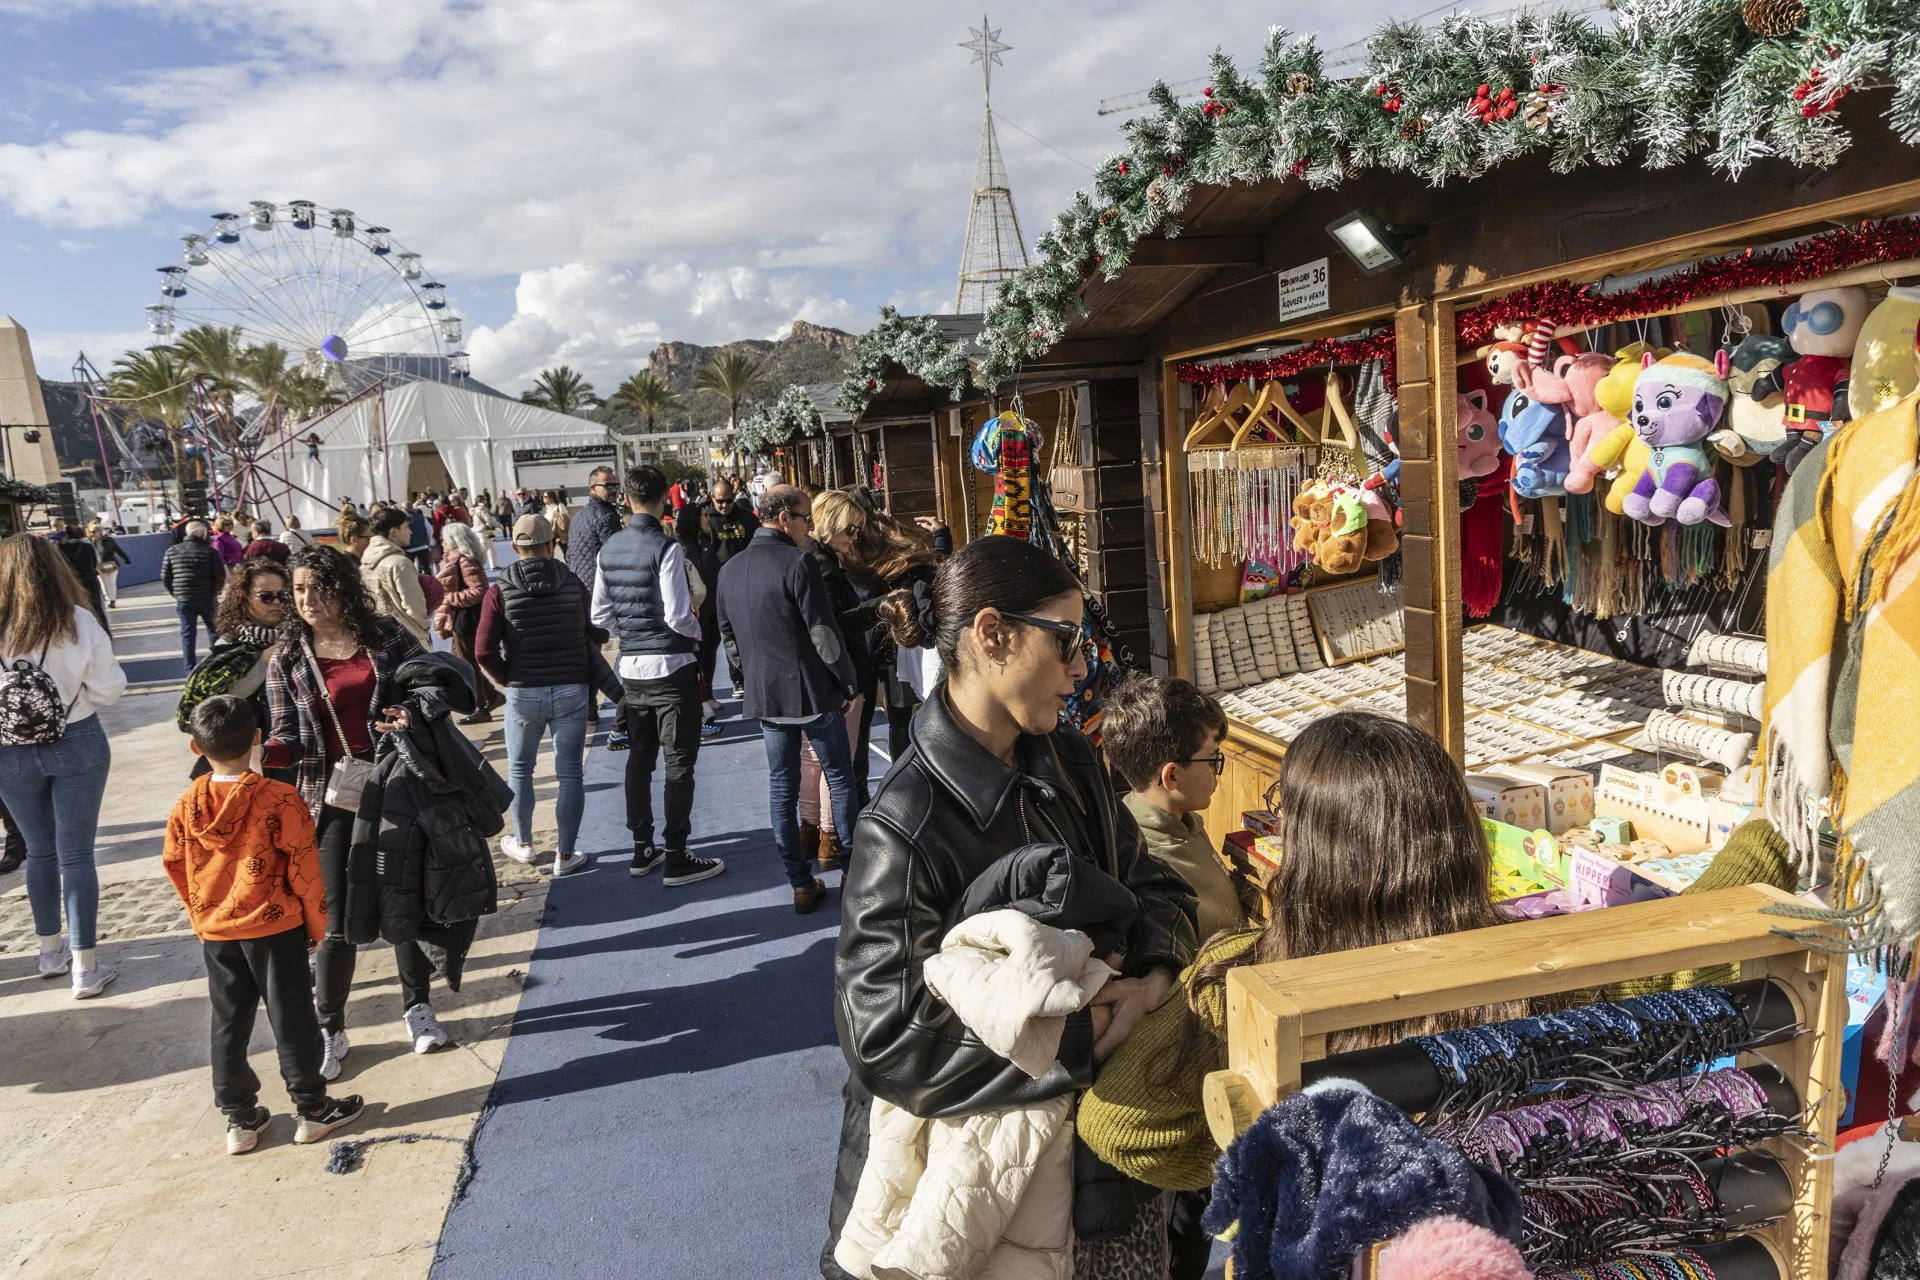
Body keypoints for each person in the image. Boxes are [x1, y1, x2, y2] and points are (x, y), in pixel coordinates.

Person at [824, 534, 1197, 1273]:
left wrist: (1153, 975)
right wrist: (1077, 1037)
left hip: (1100, 1168)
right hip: (973, 1194)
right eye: (1067, 643)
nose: (1081, 668)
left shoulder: (1071, 759)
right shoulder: (902, 824)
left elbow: (1160, 890)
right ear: (992, 635)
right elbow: (885, 1037)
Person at [1076, 712, 1526, 1276]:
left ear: (1315, 846)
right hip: (1486, 1238)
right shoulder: (1525, 959)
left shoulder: (1242, 973)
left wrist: (1251, 1156)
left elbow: (1118, 1126)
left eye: (1283, 809)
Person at [165, 695, 366, 1153]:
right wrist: (316, 926)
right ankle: (312, 1109)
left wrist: (201, 914)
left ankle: (239, 1118)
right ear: (258, 739)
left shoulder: (186, 805)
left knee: (229, 1020)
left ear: (197, 748)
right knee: (292, 1016)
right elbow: (304, 870)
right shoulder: (279, 798)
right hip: (274, 926)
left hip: (217, 928)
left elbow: (175, 863)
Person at [262, 545, 433, 1079]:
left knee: (404, 901)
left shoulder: (385, 635)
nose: (308, 599)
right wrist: (266, 754)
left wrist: (412, 710)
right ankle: (330, 1026)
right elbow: (286, 731)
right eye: (298, 590)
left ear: (342, 587)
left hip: (398, 784)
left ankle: (418, 1008)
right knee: (335, 920)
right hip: (331, 796)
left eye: (318, 587)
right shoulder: (288, 658)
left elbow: (431, 684)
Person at [714, 485, 859, 913]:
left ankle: (799, 880)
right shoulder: (799, 563)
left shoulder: (730, 569)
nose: (808, 527)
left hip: (766, 697)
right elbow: (822, 631)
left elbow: (728, 637)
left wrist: (745, 679)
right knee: (840, 776)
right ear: (783, 519)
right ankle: (851, 870)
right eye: (804, 518)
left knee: (782, 786)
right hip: (811, 692)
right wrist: (847, 681)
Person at [0, 534, 129, 998]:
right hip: (76, 739)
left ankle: (49, 952)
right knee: (76, 855)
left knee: (38, 851)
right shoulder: (76, 620)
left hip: (7, 750)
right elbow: (110, 688)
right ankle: (85, 968)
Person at [591, 466, 725, 887]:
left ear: (626, 498)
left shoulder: (608, 548)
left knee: (640, 756)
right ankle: (677, 853)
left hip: (631, 668)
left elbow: (599, 614)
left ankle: (641, 848)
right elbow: (677, 614)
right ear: (664, 499)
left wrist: (630, 632)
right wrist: (696, 631)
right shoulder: (666, 549)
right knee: (679, 761)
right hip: (671, 666)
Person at [475, 514, 602, 878]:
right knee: (570, 774)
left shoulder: (499, 590)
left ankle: (525, 842)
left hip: (524, 690)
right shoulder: (572, 583)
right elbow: (598, 632)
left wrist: (507, 679)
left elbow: (482, 650)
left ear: (515, 547)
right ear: (551, 545)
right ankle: (566, 853)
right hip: (571, 687)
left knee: (520, 769)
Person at [1102, 673, 1244, 945]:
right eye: (1213, 759)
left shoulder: (1183, 821)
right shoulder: (1147, 862)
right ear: (1172, 777)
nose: (1217, 771)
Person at [795, 490, 873, 869]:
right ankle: (829, 838)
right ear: (831, 524)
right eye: (851, 528)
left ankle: (810, 831)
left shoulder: (812, 560)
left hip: (814, 676)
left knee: (812, 760)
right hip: (837, 673)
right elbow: (831, 627)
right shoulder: (822, 565)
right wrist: (876, 611)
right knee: (836, 762)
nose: (854, 537)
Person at [178, 559, 291, 780]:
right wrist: (263, 662)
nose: (276, 602)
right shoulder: (228, 647)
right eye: (266, 597)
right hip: (244, 757)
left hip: (290, 752)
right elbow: (215, 704)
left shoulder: (301, 638)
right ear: (244, 598)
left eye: (283, 596)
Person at [566, 466, 628, 718]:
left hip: (579, 590)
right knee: (596, 652)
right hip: (597, 593)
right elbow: (617, 556)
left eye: (615, 485)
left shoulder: (581, 515)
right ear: (593, 488)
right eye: (608, 486)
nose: (613, 490)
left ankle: (591, 706)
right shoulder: (606, 517)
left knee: (589, 652)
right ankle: (624, 699)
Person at [435, 522, 498, 725]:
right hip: (460, 617)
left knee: (466, 664)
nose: (441, 542)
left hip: (466, 617)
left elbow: (480, 590)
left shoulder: (464, 560)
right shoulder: (456, 559)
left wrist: (449, 598)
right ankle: (492, 696)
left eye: (444, 538)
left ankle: (481, 707)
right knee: (460, 660)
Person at [361, 506, 432, 645]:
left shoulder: (365, 564)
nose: (410, 532)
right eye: (406, 528)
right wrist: (424, 627)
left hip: (381, 637)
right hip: (408, 637)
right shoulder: (400, 563)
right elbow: (413, 604)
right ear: (393, 531)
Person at [162, 520, 227, 670]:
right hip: (207, 598)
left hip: (184, 599)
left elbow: (165, 576)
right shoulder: (210, 551)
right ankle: (216, 664)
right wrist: (215, 593)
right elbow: (220, 575)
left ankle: (189, 667)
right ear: (203, 534)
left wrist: (176, 593)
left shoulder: (172, 551)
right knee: (214, 631)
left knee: (187, 633)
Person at [49, 518, 109, 628]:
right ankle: (103, 630)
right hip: (90, 579)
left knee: (76, 608)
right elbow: (96, 562)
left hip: (72, 581)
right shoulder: (87, 546)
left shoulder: (61, 548)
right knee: (96, 607)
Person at [693, 476, 759, 565]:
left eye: (729, 501)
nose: (725, 505)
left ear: (734, 497)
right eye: (720, 501)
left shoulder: (748, 518)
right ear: (712, 497)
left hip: (745, 569)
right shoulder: (705, 519)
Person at [86, 519, 131, 610]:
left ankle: (112, 601)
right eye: (93, 532)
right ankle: (108, 599)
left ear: (100, 531)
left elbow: (118, 550)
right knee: (104, 583)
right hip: (99, 566)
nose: (94, 533)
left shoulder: (109, 540)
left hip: (111, 564)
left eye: (96, 531)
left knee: (111, 582)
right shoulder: (89, 542)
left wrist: (126, 559)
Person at [406, 501, 434, 572]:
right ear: (412, 508)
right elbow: (429, 530)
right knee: (426, 568)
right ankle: (428, 582)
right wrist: (428, 541)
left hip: (409, 547)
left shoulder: (402, 519)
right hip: (423, 545)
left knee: (409, 569)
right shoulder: (421, 517)